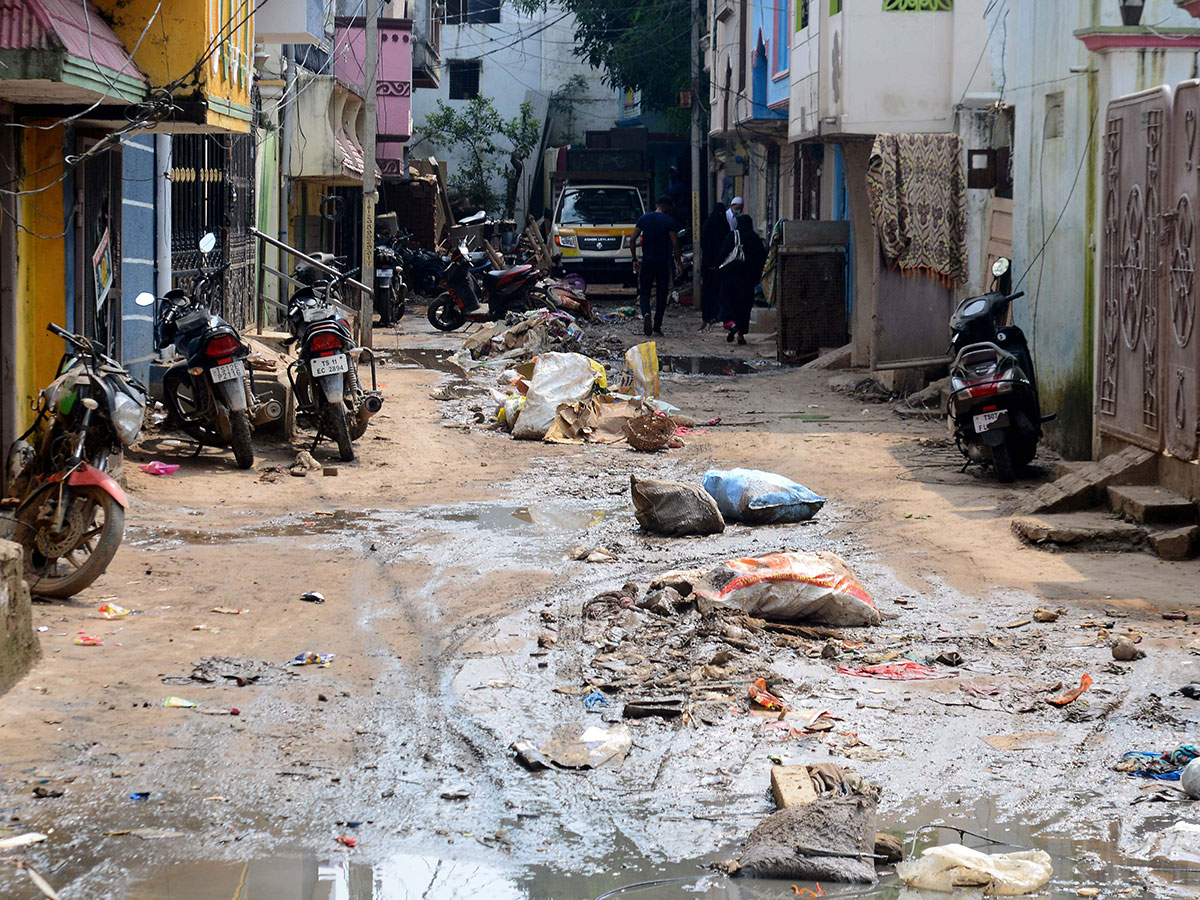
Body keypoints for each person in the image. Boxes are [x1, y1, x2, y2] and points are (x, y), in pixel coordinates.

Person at [631, 197, 683, 336]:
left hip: (647, 260)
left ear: (657, 205)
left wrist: (634, 259)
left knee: (644, 292)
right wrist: (678, 263)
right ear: (667, 207)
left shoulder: (644, 218)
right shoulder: (669, 221)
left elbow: (632, 239)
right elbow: (675, 244)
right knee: (661, 294)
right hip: (663, 262)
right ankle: (657, 326)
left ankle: (646, 313)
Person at [718, 214, 767, 345]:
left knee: (728, 302)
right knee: (744, 306)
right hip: (747, 280)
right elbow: (762, 258)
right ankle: (741, 334)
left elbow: (723, 254)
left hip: (730, 277)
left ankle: (730, 324)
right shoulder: (755, 238)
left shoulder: (733, 236)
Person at [699, 202, 728, 329]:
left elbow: (703, 243)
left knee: (707, 290)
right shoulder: (724, 225)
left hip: (708, 262)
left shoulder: (708, 224)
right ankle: (715, 315)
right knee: (717, 289)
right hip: (720, 262)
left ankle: (707, 316)